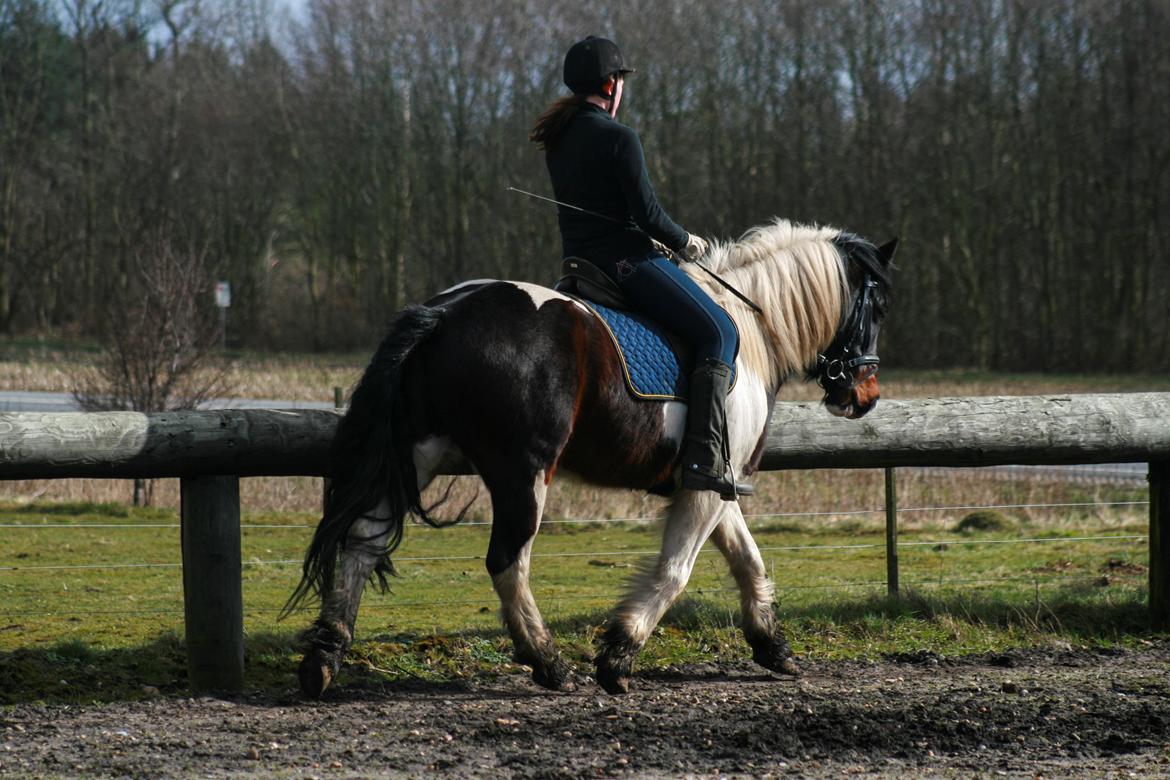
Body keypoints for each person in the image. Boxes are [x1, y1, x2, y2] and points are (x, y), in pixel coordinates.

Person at [529, 35, 748, 500]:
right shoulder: (619, 137)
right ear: (612, 85)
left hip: (579, 264)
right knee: (721, 333)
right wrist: (686, 241)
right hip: (627, 264)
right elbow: (647, 216)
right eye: (622, 81)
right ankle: (703, 459)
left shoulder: (559, 141)